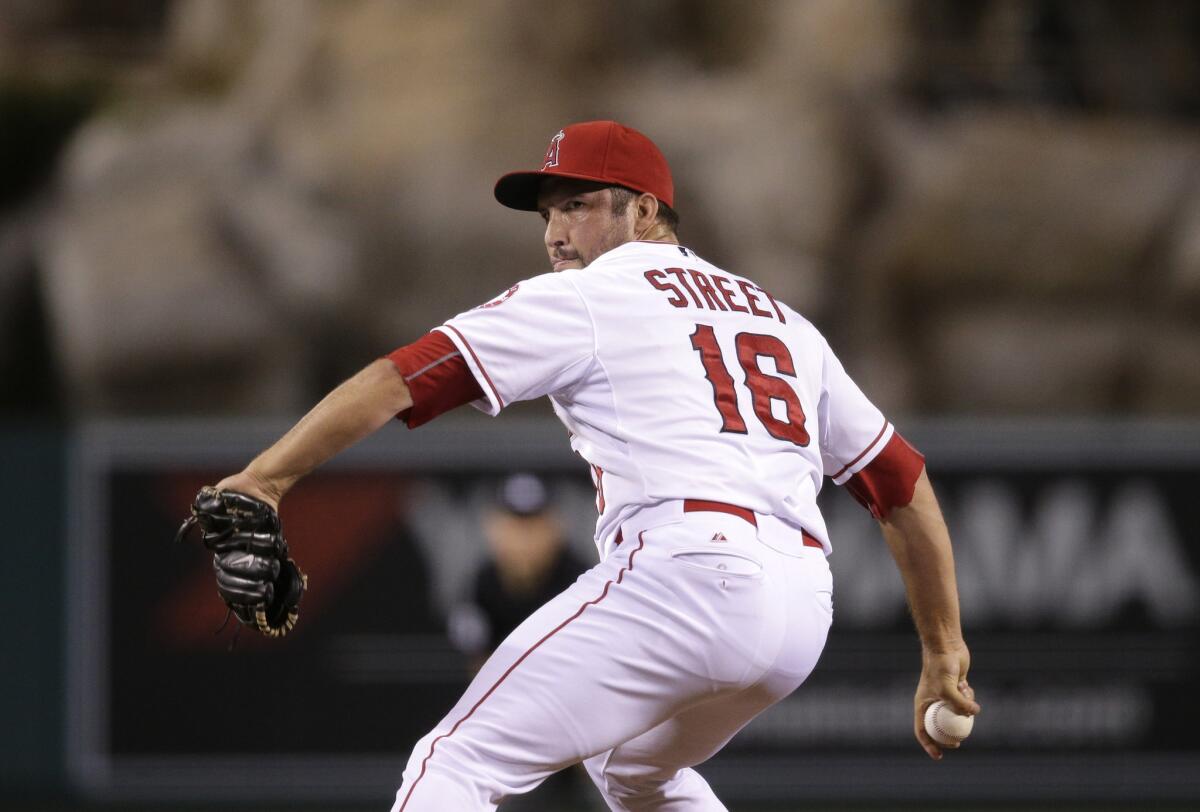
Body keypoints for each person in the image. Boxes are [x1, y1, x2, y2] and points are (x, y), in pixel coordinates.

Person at [211, 120, 980, 811]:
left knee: (454, 760)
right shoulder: (782, 321)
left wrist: (266, 478)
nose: (554, 232)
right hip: (800, 609)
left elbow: (400, 378)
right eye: (547, 212)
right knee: (633, 772)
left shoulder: (593, 295)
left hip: (684, 574)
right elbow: (901, 484)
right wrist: (944, 650)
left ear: (644, 212)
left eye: (578, 204)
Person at [448, 472, 590, 668]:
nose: (523, 541)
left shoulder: (582, 584)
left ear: (556, 528)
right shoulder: (482, 586)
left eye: (533, 528)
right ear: (493, 529)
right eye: (514, 527)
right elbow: (474, 670)